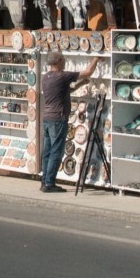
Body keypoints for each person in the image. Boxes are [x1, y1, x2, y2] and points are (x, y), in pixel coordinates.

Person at [39, 50, 98, 192]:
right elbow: (88, 72)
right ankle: (49, 183)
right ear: (59, 61)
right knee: (56, 151)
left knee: (47, 151)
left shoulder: (46, 78)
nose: (65, 62)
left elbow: (63, 91)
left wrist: (80, 85)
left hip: (47, 118)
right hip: (58, 119)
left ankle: (44, 180)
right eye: (64, 60)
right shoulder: (62, 76)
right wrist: (96, 58)